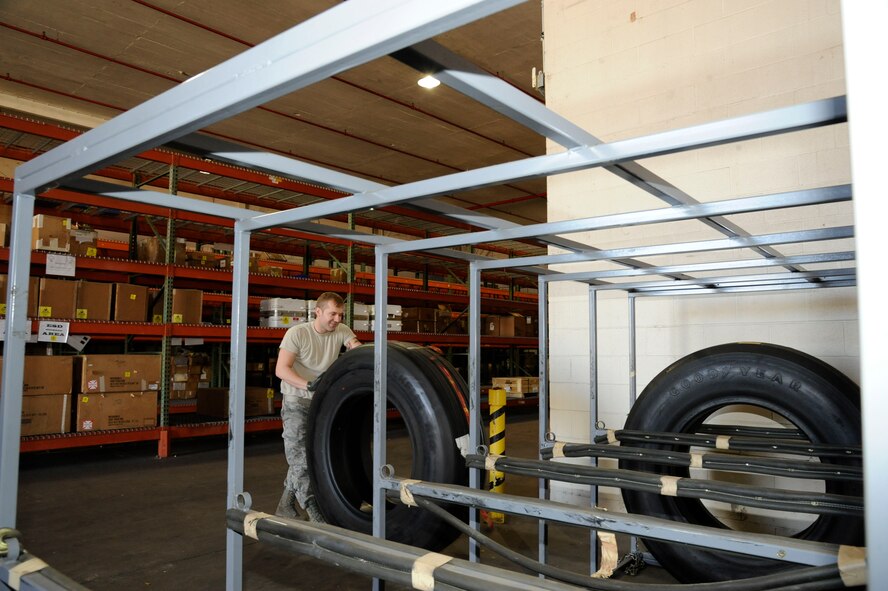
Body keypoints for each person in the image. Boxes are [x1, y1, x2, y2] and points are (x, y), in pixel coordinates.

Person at [274, 291, 361, 520]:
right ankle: (314, 512)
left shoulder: (341, 330)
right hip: (296, 401)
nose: (337, 319)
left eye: (341, 315)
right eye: (332, 314)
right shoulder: (297, 333)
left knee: (307, 457)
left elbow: (356, 348)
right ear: (318, 312)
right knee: (301, 459)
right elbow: (281, 369)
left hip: (321, 404)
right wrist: (308, 385)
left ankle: (285, 506)